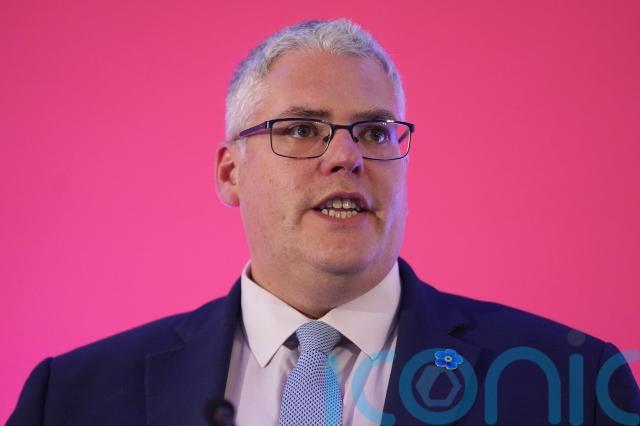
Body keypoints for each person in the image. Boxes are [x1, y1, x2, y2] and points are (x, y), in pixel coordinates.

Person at [8, 19, 639, 426]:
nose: (346, 157)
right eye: (302, 129)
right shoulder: (71, 399)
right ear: (230, 173)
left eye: (374, 131)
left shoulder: (570, 386)